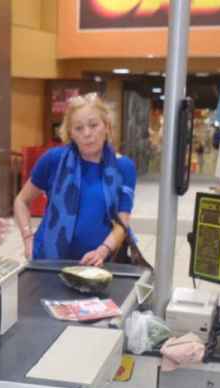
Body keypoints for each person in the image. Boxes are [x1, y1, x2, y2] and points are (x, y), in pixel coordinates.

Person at [13, 92, 137, 266]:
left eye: (93, 125)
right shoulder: (53, 159)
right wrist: (27, 238)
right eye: (79, 128)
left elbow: (122, 221)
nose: (87, 133)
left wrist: (102, 251)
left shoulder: (123, 167)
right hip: (48, 262)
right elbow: (21, 200)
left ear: (107, 127)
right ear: (70, 133)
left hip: (98, 265)